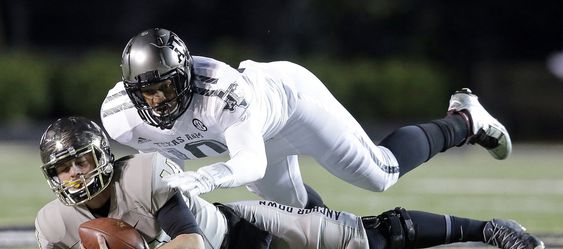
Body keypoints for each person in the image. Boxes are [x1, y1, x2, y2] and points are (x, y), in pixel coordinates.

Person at [26, 117, 544, 249]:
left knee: (362, 239)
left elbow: (191, 245)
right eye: (64, 167)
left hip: (245, 230)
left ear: (102, 156)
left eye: (83, 160)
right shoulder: (58, 221)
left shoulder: (140, 174)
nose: (75, 174)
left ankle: (493, 230)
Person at [101, 28, 511, 209]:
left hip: (292, 106)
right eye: (147, 92)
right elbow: (166, 162)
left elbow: (250, 163)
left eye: (168, 88)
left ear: (186, 76)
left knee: (380, 174)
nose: (158, 101)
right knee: (291, 207)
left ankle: (464, 120)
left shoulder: (222, 92)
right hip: (249, 136)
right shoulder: (120, 118)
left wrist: (203, 179)